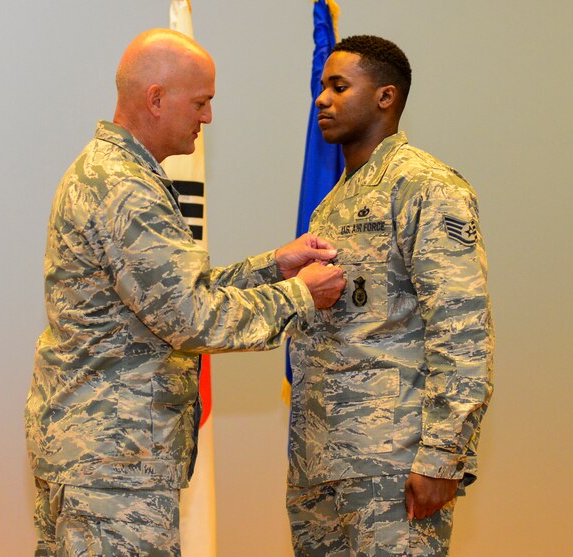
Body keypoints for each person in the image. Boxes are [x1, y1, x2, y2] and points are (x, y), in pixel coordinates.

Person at [24, 29, 345, 557]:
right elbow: (191, 318)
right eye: (201, 102)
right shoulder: (124, 187)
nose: (208, 118)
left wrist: (275, 268)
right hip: (115, 471)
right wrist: (300, 296)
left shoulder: (117, 174)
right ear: (156, 99)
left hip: (101, 460)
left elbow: (171, 294)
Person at [286, 35, 495, 556]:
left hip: (392, 465)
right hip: (321, 466)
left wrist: (442, 456)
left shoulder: (426, 187)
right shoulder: (331, 206)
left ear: (385, 96)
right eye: (321, 86)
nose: (322, 99)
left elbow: (462, 329)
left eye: (339, 86)